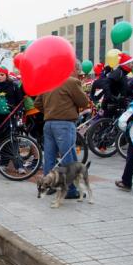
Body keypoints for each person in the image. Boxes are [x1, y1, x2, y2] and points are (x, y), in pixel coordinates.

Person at [35, 63, 90, 199]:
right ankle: (70, 190)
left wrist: (49, 111)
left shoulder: (48, 82)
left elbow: (37, 103)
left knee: (49, 157)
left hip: (49, 123)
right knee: (68, 158)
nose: (78, 72)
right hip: (64, 123)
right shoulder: (71, 82)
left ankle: (48, 186)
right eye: (77, 69)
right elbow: (84, 102)